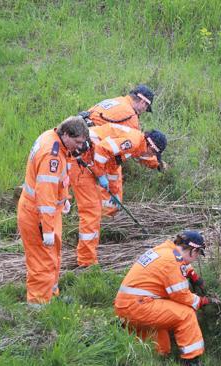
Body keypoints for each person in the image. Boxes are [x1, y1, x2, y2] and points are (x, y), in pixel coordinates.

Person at [114, 231, 217, 365]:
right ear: (194, 250)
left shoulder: (164, 250)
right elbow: (180, 295)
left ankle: (157, 357)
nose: (197, 258)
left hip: (128, 305)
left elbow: (180, 264)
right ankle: (192, 360)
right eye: (198, 254)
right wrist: (202, 301)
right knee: (186, 314)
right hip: (138, 307)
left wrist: (193, 275)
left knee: (161, 350)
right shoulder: (171, 261)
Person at [17, 116, 89, 307]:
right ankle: (38, 305)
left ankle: (51, 294)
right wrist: (47, 230)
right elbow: (45, 195)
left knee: (52, 256)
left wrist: (64, 198)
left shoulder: (54, 138)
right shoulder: (52, 155)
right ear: (66, 135)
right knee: (42, 261)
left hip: (47, 213)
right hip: (39, 215)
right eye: (78, 142)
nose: (79, 147)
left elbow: (58, 181)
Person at [72, 125, 167, 266]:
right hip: (86, 158)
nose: (150, 155)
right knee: (91, 212)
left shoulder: (140, 143)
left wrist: (157, 164)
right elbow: (101, 150)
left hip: (99, 160)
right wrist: (100, 175)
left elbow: (126, 158)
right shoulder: (133, 141)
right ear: (149, 145)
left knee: (109, 201)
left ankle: (99, 231)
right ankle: (86, 262)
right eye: (152, 152)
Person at [76, 84, 163, 217]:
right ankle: (106, 215)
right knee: (111, 184)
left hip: (82, 136)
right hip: (93, 146)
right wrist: (156, 163)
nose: (144, 111)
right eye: (146, 107)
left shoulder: (118, 101)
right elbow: (139, 148)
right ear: (143, 102)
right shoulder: (131, 116)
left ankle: (104, 212)